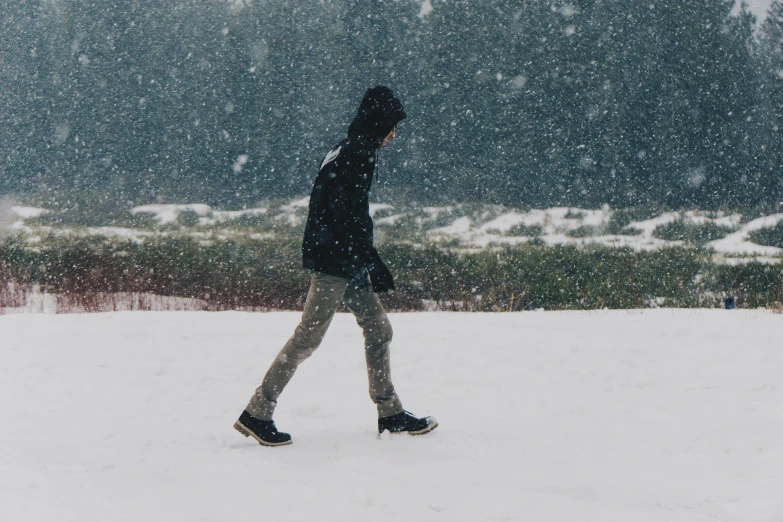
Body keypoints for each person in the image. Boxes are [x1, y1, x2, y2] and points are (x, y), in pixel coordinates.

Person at [234, 86, 437, 447]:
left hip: (346, 256)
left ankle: (390, 413)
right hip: (336, 259)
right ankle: (257, 412)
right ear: (379, 123)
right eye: (392, 126)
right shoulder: (358, 153)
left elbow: (338, 210)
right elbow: (347, 214)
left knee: (379, 329)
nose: (394, 134)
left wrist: (365, 259)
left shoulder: (348, 148)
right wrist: (370, 260)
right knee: (307, 338)